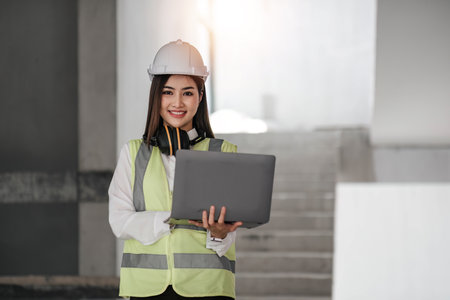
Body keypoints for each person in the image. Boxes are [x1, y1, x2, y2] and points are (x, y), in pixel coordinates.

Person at [108, 39, 242, 300]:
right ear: (156, 95)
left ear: (200, 97)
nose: (177, 102)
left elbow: (227, 237)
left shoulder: (223, 153)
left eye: (188, 92)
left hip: (207, 289)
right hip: (146, 289)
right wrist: (172, 216)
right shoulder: (134, 153)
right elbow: (119, 221)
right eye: (168, 92)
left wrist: (218, 233)